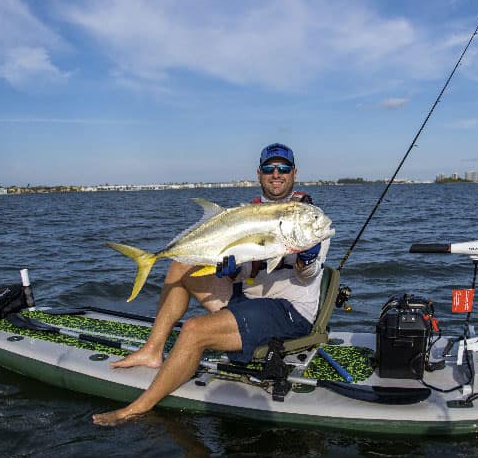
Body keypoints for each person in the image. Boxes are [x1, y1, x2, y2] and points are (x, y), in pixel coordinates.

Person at [92, 143, 330, 426]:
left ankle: (135, 409)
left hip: (288, 311)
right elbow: (244, 274)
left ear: (294, 173)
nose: (276, 174)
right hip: (250, 300)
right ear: (259, 174)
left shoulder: (308, 217)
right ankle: (153, 349)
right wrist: (229, 272)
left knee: (194, 330)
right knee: (180, 265)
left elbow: (307, 275)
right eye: (269, 168)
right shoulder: (247, 215)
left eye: (283, 168)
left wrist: (308, 257)